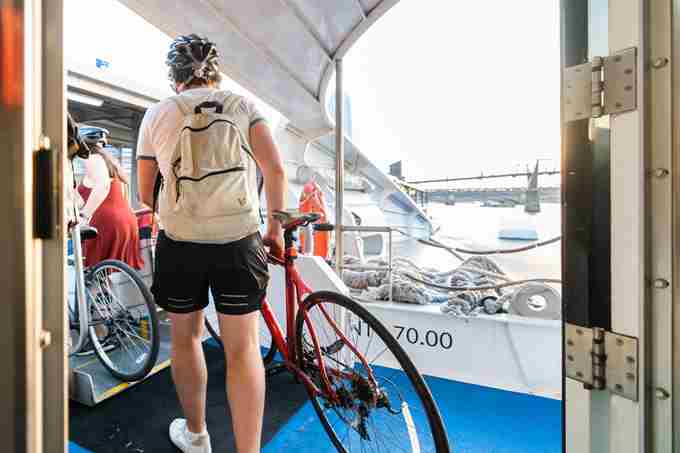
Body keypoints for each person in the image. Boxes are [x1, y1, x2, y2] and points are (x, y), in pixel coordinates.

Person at [136, 34, 286, 453]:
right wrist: (273, 229)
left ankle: (197, 435)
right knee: (242, 351)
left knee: (187, 339)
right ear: (216, 69)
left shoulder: (157, 114)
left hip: (180, 242)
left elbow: (146, 192)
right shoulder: (244, 107)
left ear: (174, 75)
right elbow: (274, 170)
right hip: (238, 239)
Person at [77, 127, 144, 269]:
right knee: (115, 279)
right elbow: (82, 199)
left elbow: (103, 186)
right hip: (127, 222)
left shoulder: (92, 159)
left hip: (106, 224)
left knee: (94, 275)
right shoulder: (112, 164)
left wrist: (84, 215)